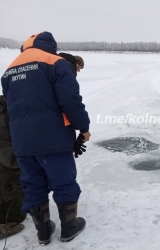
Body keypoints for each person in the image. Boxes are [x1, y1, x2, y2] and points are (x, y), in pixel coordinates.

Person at [1, 32, 91, 245]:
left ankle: (43, 231)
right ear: (50, 45)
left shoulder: (9, 70)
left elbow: (10, 106)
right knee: (63, 180)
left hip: (22, 141)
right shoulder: (55, 62)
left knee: (32, 183)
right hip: (53, 138)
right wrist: (83, 128)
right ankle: (69, 227)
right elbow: (70, 99)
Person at [0, 96, 26, 240]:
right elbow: (8, 157)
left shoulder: (12, 109)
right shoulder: (3, 116)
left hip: (10, 177)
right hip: (6, 179)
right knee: (17, 214)